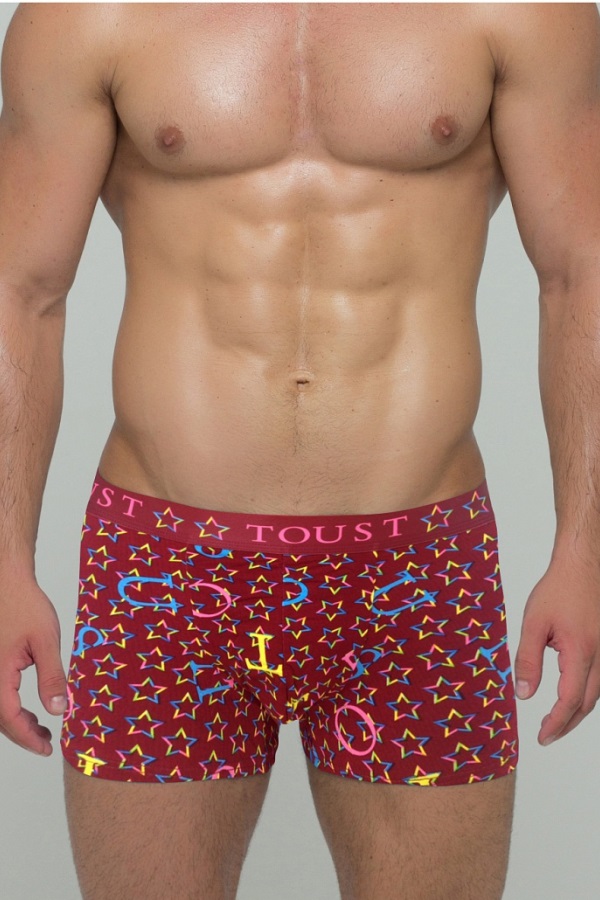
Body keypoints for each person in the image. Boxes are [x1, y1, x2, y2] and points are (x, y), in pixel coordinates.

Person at [0, 2, 599, 898]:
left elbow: (580, 272)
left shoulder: (518, 11)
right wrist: (4, 557)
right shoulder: (90, 16)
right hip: (163, 569)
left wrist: (585, 548)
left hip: (418, 571)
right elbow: (22, 289)